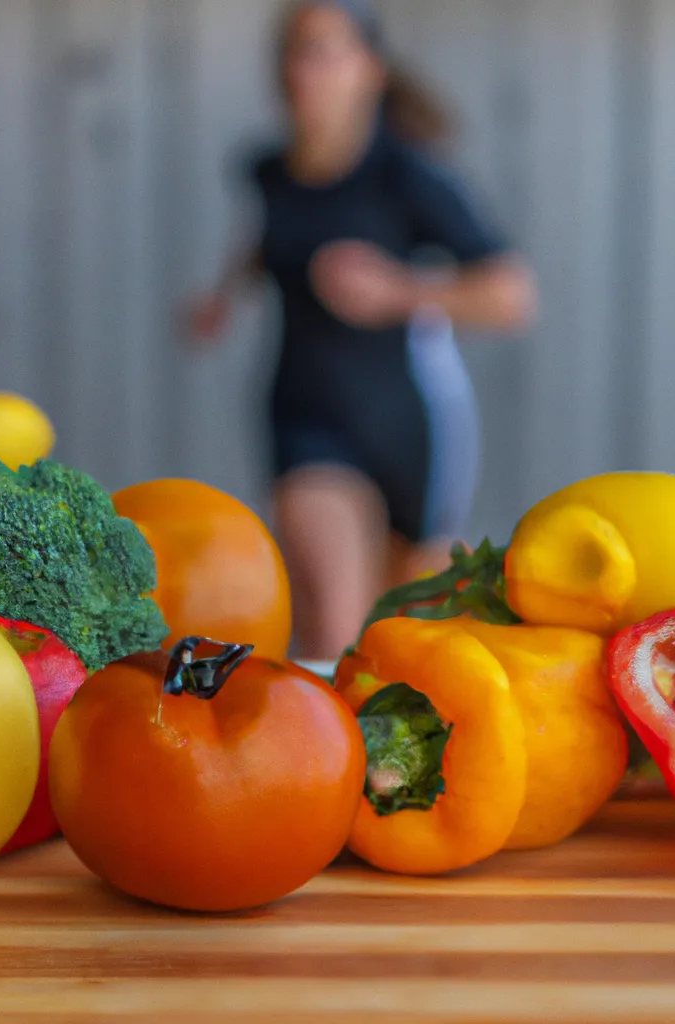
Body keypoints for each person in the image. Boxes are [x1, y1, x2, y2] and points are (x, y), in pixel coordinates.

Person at [190, 0, 537, 661]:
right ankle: (320, 763)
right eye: (292, 52)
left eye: (322, 52)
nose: (301, 71)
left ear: (369, 70)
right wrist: (222, 297)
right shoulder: (268, 170)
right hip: (305, 419)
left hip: (410, 424)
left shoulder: (409, 177)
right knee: (333, 634)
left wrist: (397, 291)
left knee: (403, 647)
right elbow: (268, 239)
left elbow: (512, 295)